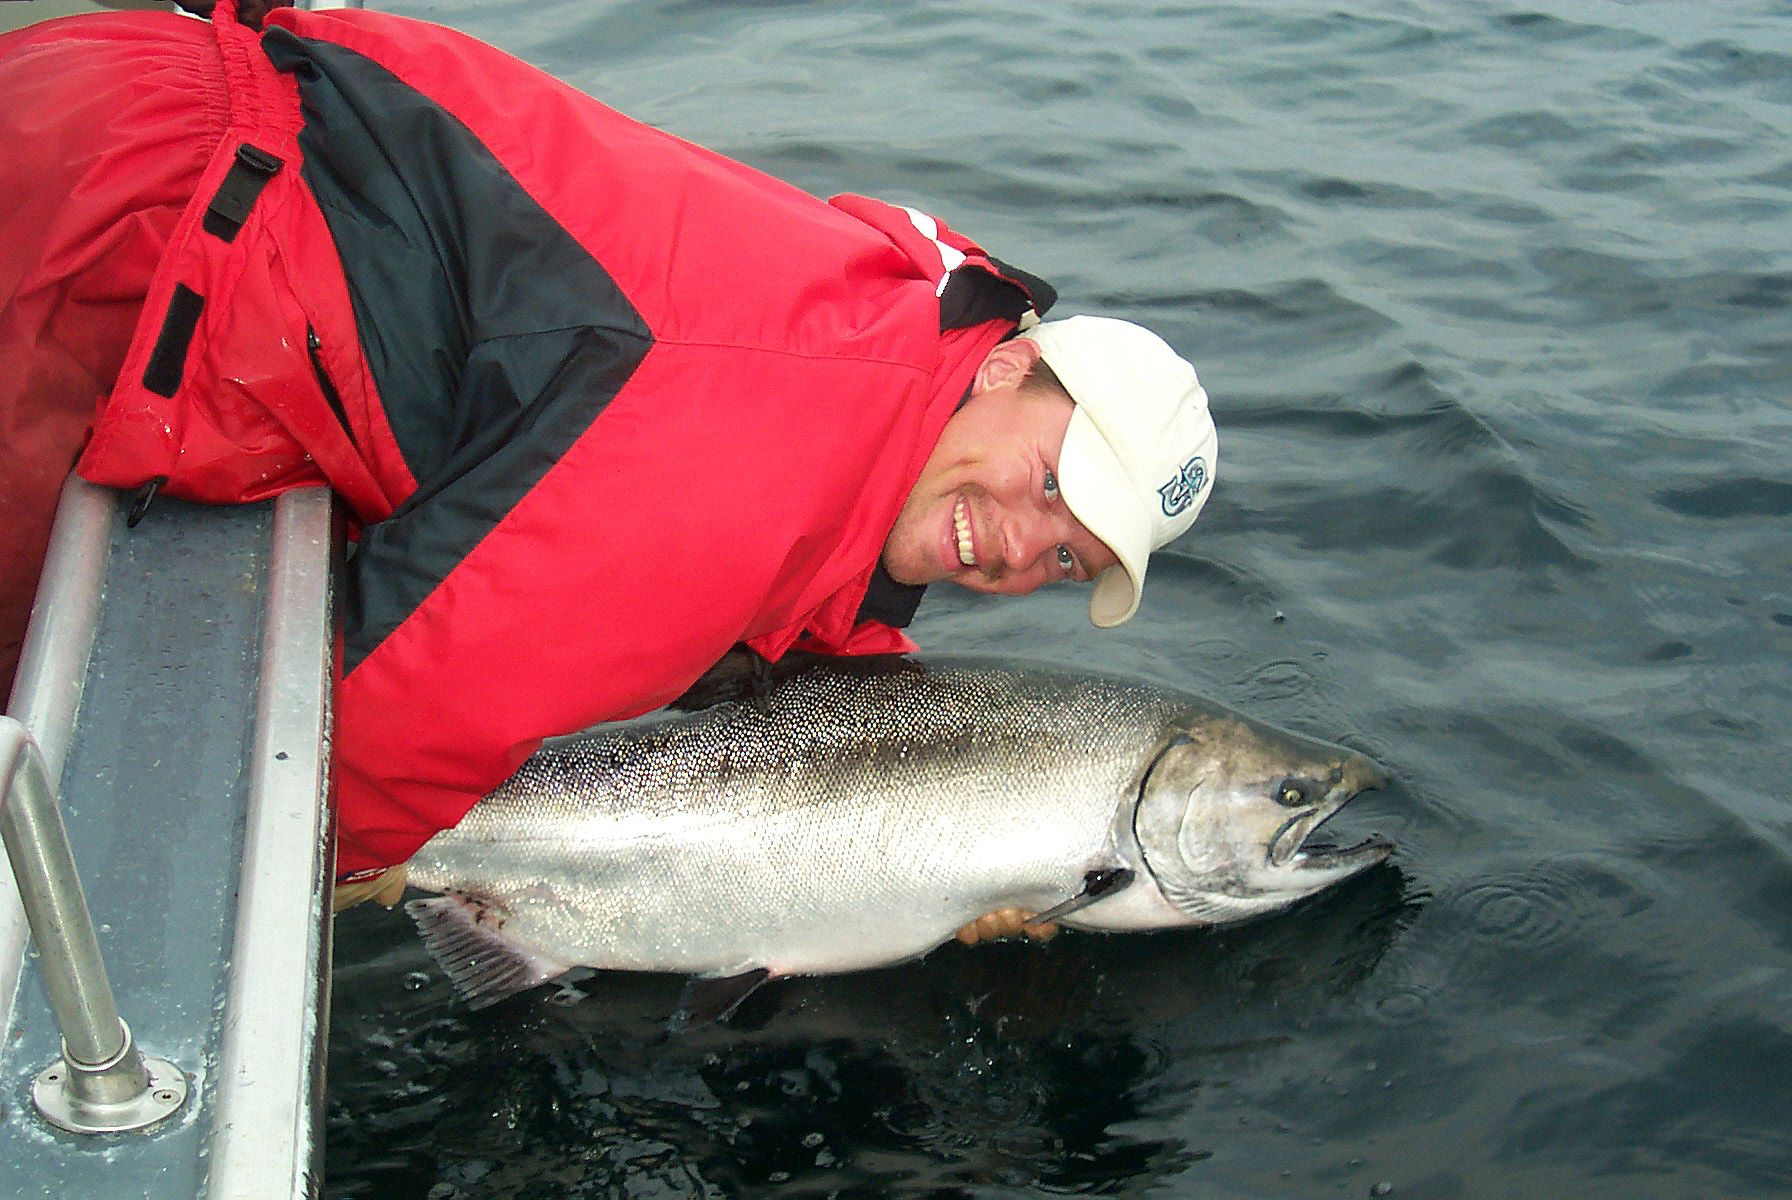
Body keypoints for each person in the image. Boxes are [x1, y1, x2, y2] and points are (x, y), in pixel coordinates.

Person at [0, 3, 1218, 929]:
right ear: (1011, 369)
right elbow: (354, 751)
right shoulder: (756, 444)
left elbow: (795, 558)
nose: (1019, 547)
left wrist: (941, 879)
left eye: (1068, 558)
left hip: (163, 130)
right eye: (1052, 484)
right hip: (125, 230)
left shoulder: (889, 336)